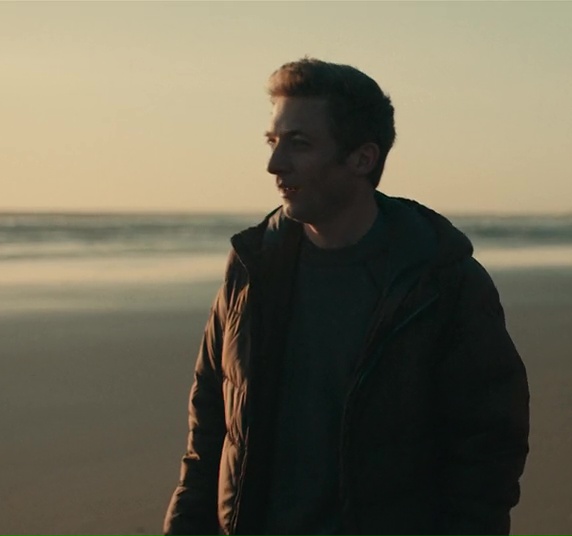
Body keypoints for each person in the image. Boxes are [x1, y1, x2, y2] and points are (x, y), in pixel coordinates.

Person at [163, 58, 530, 536]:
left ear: (362, 158)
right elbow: (210, 433)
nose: (275, 164)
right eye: (273, 142)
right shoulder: (253, 269)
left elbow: (488, 450)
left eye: (299, 143)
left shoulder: (438, 282)